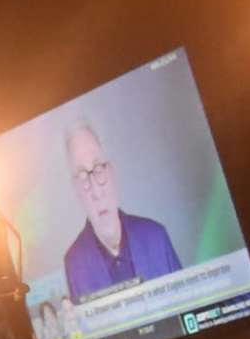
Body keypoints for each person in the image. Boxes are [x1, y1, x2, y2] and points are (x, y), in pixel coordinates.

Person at [59, 122, 183, 297]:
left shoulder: (156, 235)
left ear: (112, 171)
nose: (96, 191)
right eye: (82, 176)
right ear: (75, 190)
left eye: (99, 168)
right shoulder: (74, 263)